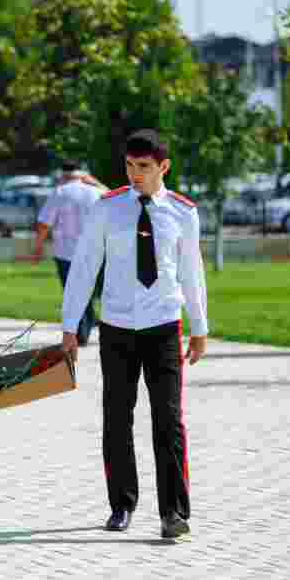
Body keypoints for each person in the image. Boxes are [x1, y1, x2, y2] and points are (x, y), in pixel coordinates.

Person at [61, 129, 208, 540]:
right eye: (129, 165)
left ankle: (173, 513)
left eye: (144, 167)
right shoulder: (106, 209)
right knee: (117, 417)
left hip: (164, 326)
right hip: (117, 327)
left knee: (168, 420)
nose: (135, 174)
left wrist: (200, 328)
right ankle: (121, 504)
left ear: (163, 167)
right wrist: (70, 325)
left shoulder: (183, 212)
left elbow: (191, 273)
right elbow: (84, 267)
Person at [33, 160, 105, 346]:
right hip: (95, 252)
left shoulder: (60, 192)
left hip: (67, 253)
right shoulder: (96, 192)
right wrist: (94, 181)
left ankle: (81, 332)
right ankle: (87, 325)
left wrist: (38, 247)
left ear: (62, 175)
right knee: (89, 290)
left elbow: (44, 223)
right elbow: (116, 196)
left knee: (73, 292)